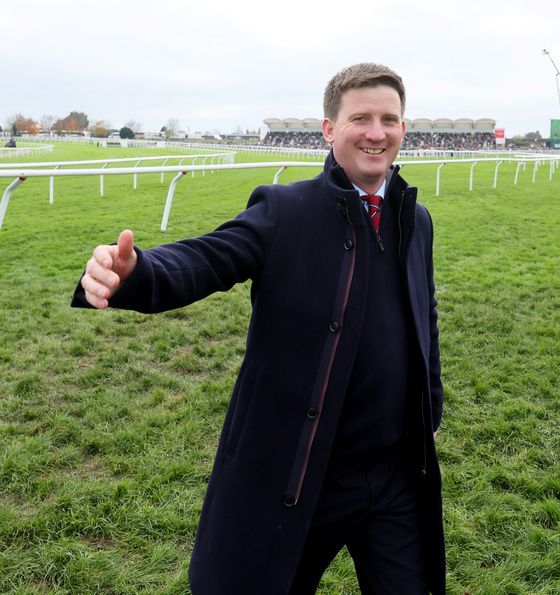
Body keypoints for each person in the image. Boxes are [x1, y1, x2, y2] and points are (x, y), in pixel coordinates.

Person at [73, 63, 445, 594]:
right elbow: (207, 258)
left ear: (404, 129)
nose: (376, 132)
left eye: (389, 119)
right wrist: (137, 274)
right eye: (359, 118)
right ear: (328, 129)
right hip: (302, 473)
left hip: (393, 475)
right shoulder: (284, 211)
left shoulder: (417, 218)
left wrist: (430, 402)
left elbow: (422, 315)